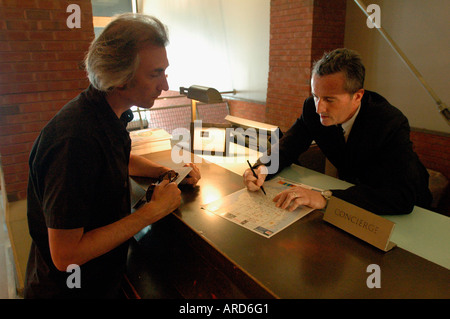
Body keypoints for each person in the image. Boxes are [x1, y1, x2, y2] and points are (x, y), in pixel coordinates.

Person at [24, 13, 201, 298]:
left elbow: (117, 158)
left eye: (164, 72)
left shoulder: (105, 114)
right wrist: (151, 211)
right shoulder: (75, 140)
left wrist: (163, 172)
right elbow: (66, 255)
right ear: (119, 79)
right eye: (155, 74)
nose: (165, 85)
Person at [244, 48, 432, 215]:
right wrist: (262, 168)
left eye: (329, 99)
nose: (319, 108)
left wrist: (325, 198)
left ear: (357, 96)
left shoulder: (390, 122)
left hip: (410, 210)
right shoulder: (312, 109)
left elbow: (401, 196)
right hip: (353, 198)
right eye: (316, 96)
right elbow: (287, 148)